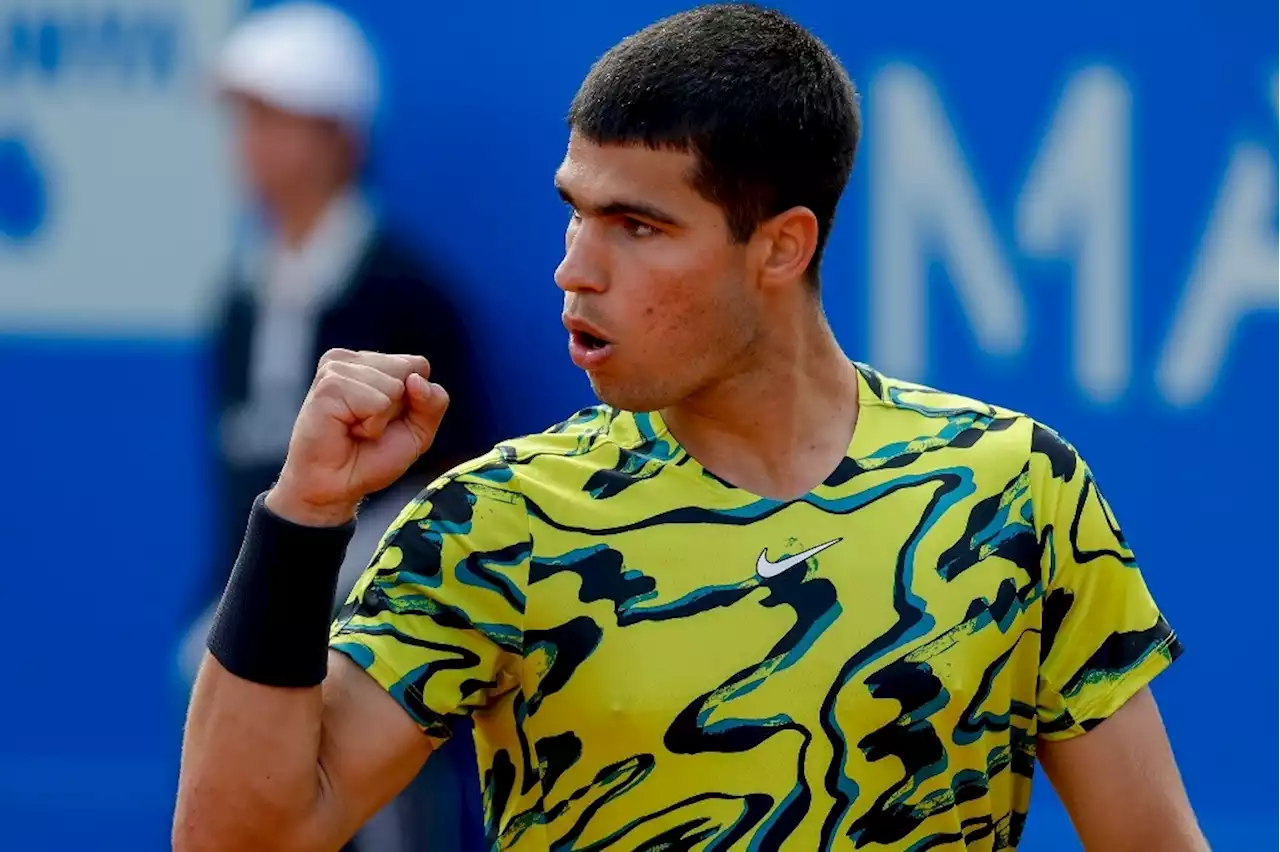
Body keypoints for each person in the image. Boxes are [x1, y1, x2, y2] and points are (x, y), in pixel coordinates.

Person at [174, 6, 1208, 850]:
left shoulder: (1013, 490)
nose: (574, 268)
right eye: (576, 213)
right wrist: (302, 516)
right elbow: (236, 838)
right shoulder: (495, 523)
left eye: (636, 226)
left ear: (779, 247)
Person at [183, 4, 490, 850]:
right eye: (245, 118)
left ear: (340, 137)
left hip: (370, 640)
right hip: (259, 625)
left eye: (277, 119)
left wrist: (338, 595)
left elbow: (453, 485)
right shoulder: (236, 300)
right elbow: (237, 477)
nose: (252, 143)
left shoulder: (406, 294)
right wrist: (233, 602)